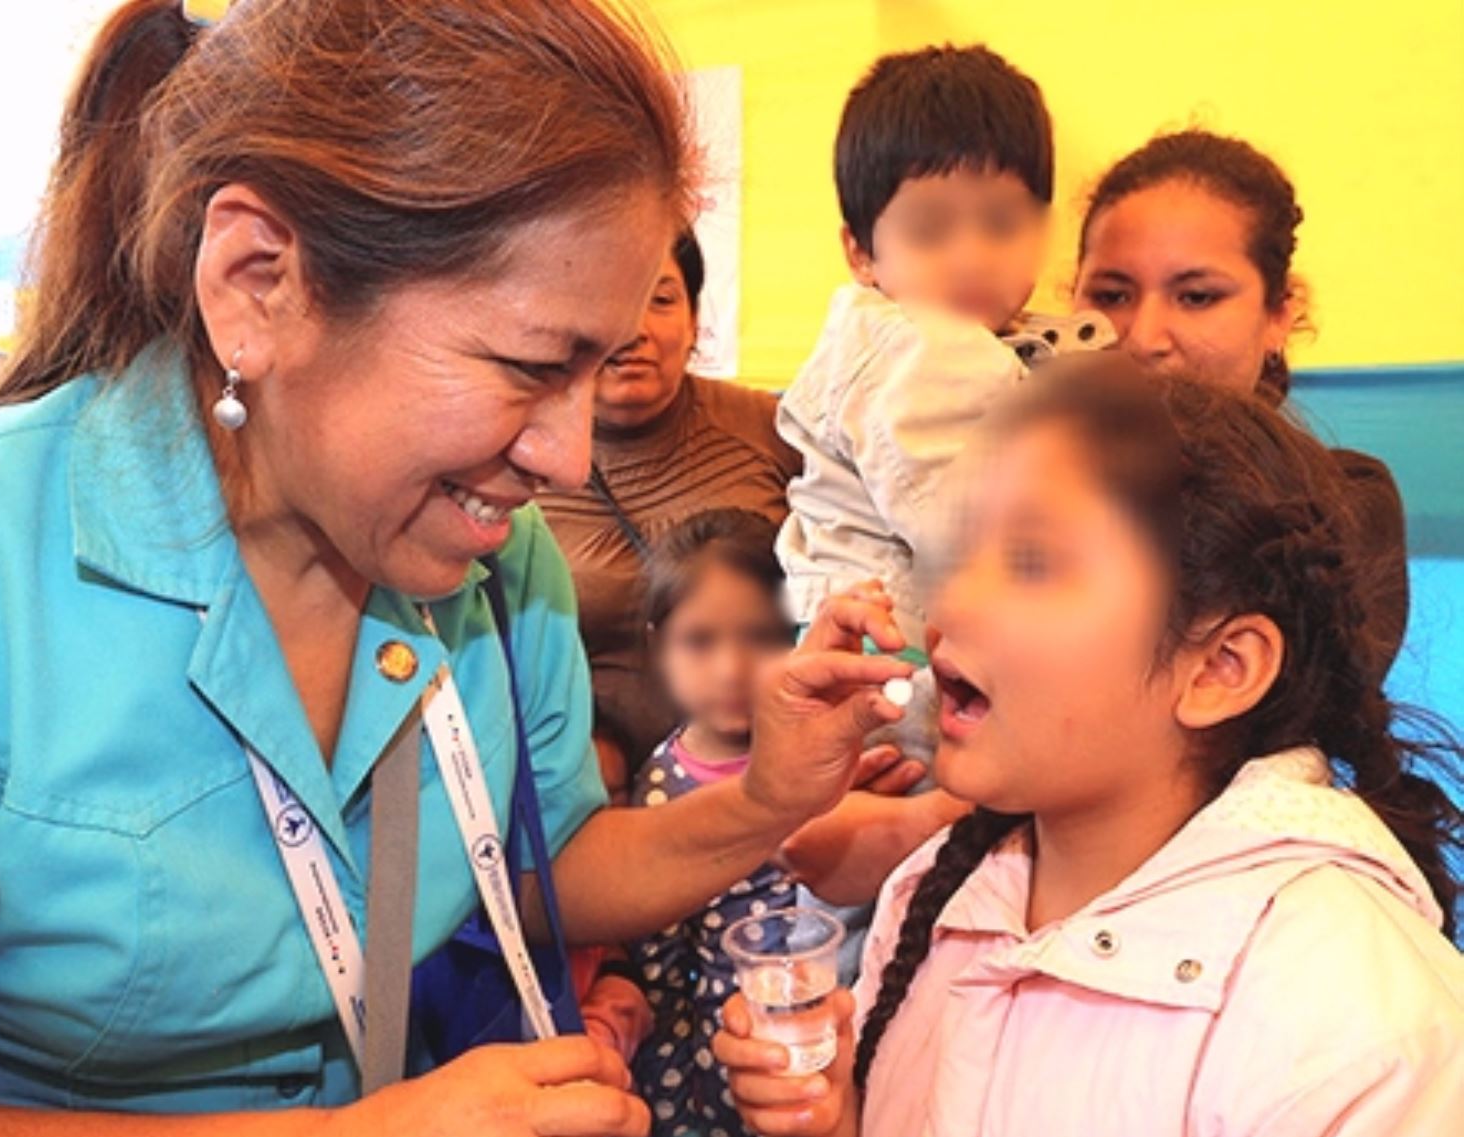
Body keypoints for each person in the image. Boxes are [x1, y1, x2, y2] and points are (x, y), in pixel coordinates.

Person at [0, 2, 918, 1137]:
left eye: (596, 369)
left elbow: (545, 868)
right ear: (259, 282)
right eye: (531, 367)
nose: (570, 460)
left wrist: (765, 802)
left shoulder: (491, 560)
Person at [717, 357, 1464, 1137]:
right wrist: (824, 1117)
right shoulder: (935, 894)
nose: (952, 603)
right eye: (961, 553)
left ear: (1220, 666)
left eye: (1032, 561)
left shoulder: (1361, 1027)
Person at [775, 43, 1112, 771]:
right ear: (862, 253)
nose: (970, 256)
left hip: (880, 654)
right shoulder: (927, 347)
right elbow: (969, 530)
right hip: (900, 666)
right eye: (931, 231)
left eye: (1000, 223)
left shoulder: (962, 340)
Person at [1073, 129, 1409, 683]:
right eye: (1111, 296)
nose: (1144, 337)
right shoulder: (1006, 478)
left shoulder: (1344, 503)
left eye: (1197, 296)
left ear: (1279, 314)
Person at [536, 227, 798, 777]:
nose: (635, 329)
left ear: (694, 320)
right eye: (608, 297)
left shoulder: (776, 429)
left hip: (765, 773)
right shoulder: (521, 455)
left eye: (659, 300)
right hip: (582, 785)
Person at [625, 508, 799, 1137]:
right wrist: (679, 1133)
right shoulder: (662, 796)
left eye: (761, 637)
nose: (732, 667)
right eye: (700, 641)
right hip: (723, 1103)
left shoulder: (823, 766)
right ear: (657, 646)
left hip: (824, 1072)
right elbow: (659, 992)